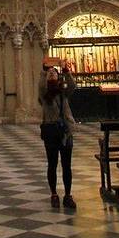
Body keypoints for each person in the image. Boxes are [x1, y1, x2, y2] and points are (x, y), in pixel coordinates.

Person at [38, 64, 77, 208]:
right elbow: (41, 85)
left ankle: (68, 195)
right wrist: (44, 71)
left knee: (67, 165)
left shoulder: (63, 91)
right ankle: (54, 194)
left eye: (54, 72)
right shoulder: (44, 94)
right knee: (52, 164)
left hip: (65, 132)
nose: (52, 73)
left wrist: (66, 71)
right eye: (50, 73)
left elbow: (72, 86)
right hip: (51, 131)